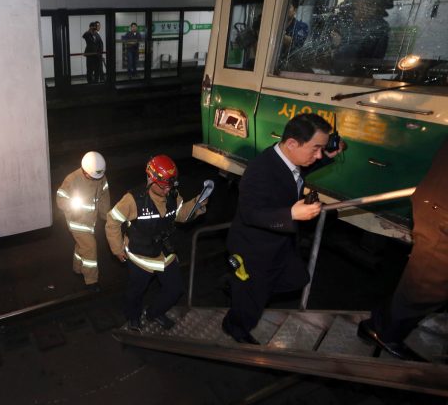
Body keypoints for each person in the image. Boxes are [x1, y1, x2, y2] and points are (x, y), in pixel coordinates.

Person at [222, 113, 345, 344]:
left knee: (296, 278)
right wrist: (290, 214)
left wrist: (327, 155)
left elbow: (299, 171)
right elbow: (250, 214)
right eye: (315, 148)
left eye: (322, 148)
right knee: (253, 299)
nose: (318, 155)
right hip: (254, 250)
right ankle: (234, 327)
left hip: (279, 244)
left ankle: (238, 286)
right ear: (291, 143)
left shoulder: (289, 159)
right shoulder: (259, 172)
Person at [357, 137, 448, 361]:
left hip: (439, 207)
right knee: (426, 284)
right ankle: (382, 331)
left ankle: (382, 325)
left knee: (429, 283)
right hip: (442, 212)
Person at [106, 155, 208, 331]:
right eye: (163, 185)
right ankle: (133, 317)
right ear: (151, 179)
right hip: (140, 257)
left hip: (164, 253)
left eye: (171, 185)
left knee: (175, 289)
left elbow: (181, 214)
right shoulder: (132, 199)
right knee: (135, 293)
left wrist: (196, 205)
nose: (167, 190)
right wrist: (117, 249)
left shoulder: (172, 195)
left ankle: (154, 313)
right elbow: (112, 220)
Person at [56, 151, 110, 291]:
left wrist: (106, 216)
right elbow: (60, 198)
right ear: (85, 171)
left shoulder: (100, 177)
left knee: (83, 246)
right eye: (91, 176)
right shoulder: (72, 179)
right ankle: (91, 281)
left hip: (90, 221)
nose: (95, 179)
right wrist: (72, 209)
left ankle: (77, 268)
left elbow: (104, 196)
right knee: (90, 247)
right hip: (77, 221)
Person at [328, 0, 390, 75]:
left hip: (357, 77)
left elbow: (358, 53)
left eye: (368, 4)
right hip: (335, 75)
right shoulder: (348, 23)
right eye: (356, 5)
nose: (358, 8)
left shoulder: (379, 26)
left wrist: (339, 44)